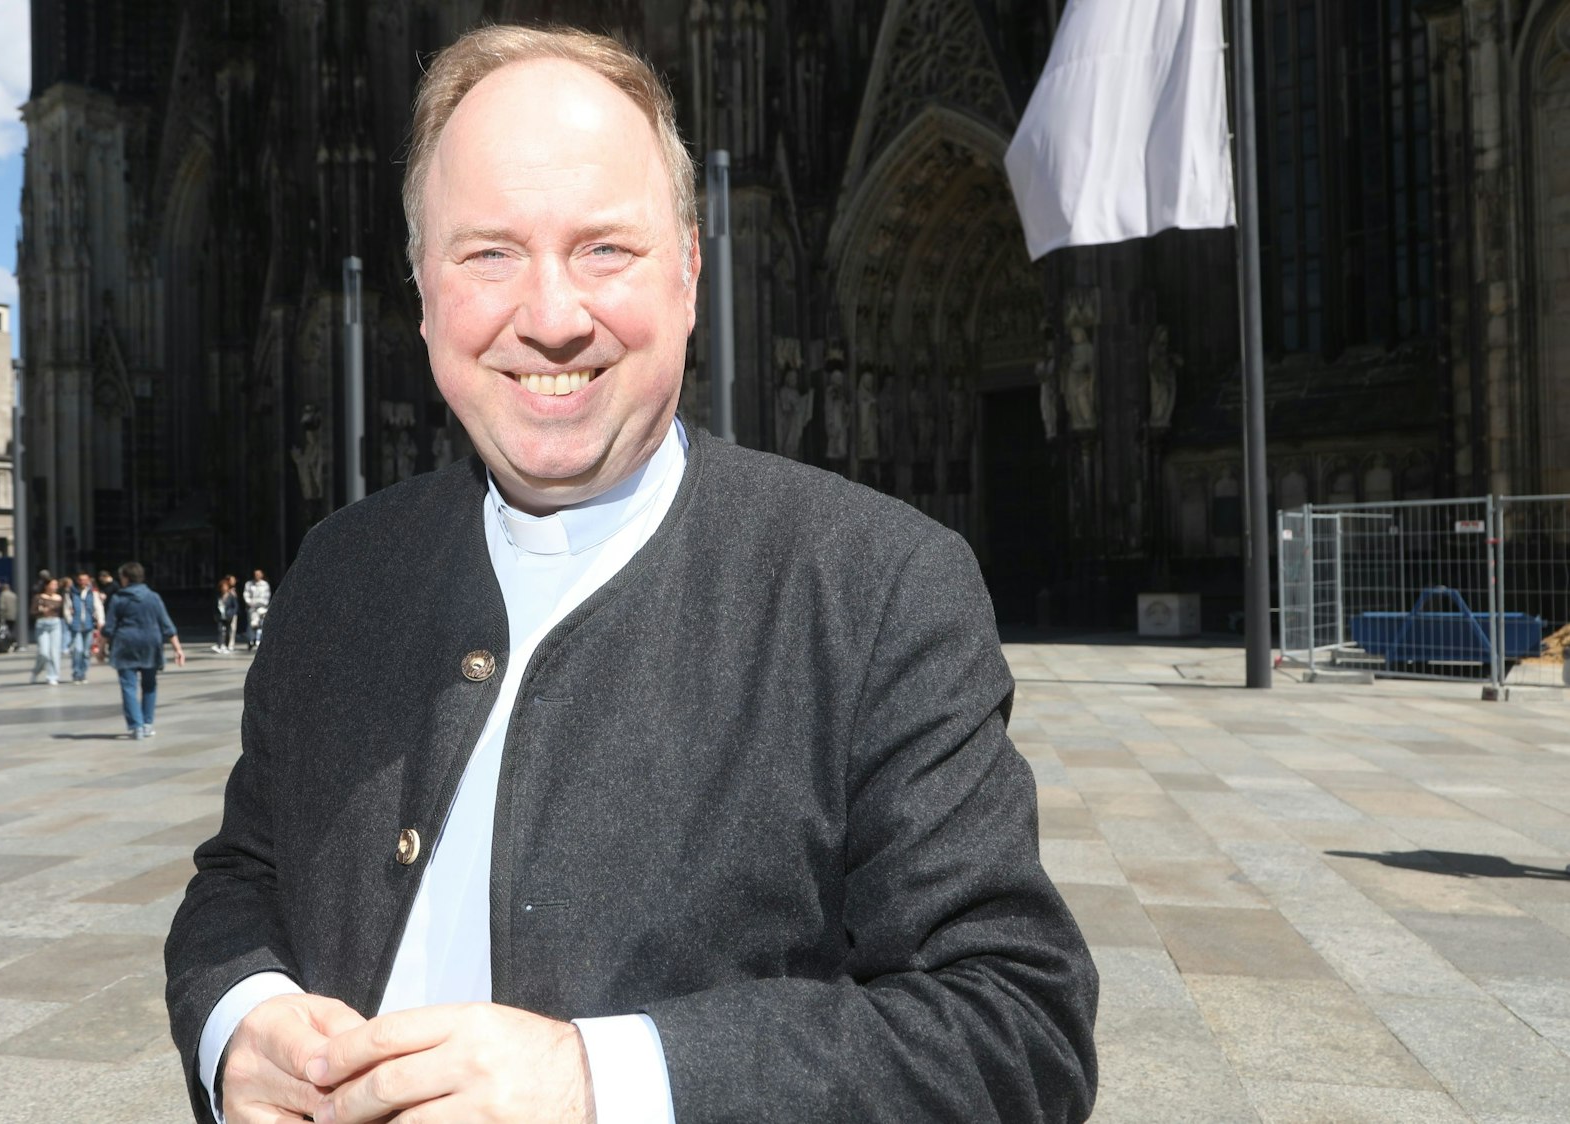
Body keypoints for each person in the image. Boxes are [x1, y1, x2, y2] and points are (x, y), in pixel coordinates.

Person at [164, 28, 1097, 1124]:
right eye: (488, 254)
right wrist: (242, 1020)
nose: (552, 318)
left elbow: (1014, 1031)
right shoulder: (339, 570)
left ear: (692, 275)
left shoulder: (875, 586)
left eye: (606, 249)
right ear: (420, 297)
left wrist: (600, 1083)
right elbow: (240, 877)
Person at [101, 561, 183, 739]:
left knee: (128, 686)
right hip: (150, 644)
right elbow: (166, 624)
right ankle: (147, 723)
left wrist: (100, 648)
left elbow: (109, 627)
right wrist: (177, 648)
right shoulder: (153, 597)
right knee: (149, 685)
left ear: (126, 578)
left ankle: (136, 726)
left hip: (125, 644)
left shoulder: (118, 598)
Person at [66, 572, 105, 684]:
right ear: (78, 581)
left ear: (88, 580)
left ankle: (83, 673)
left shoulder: (92, 593)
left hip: (88, 624)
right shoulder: (71, 592)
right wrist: (70, 620)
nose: (83, 582)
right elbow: (67, 607)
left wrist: (100, 621)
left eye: (85, 579)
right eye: (81, 579)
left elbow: (98, 607)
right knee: (77, 650)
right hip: (76, 625)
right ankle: (76, 673)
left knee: (86, 652)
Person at [30, 578, 67, 685]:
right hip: (42, 624)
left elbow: (63, 612)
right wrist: (41, 611)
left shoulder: (59, 598)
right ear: (46, 586)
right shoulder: (38, 597)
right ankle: (36, 671)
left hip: (55, 624)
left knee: (54, 652)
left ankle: (52, 676)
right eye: (53, 584)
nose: (55, 586)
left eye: (56, 584)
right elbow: (32, 612)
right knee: (43, 652)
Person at [241, 568, 271, 651]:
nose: (257, 576)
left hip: (261, 608)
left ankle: (258, 641)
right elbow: (246, 595)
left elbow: (266, 597)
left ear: (262, 575)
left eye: (258, 574)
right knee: (251, 625)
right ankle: (251, 640)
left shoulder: (265, 585)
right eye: (255, 574)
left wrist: (260, 604)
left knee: (261, 625)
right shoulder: (249, 584)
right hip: (251, 608)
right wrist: (250, 603)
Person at [212, 575, 235, 655]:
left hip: (228, 616)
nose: (224, 588)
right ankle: (220, 645)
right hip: (220, 616)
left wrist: (232, 613)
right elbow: (214, 606)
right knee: (220, 630)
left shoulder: (231, 596)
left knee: (228, 631)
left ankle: (226, 645)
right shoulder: (218, 596)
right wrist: (215, 615)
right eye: (222, 587)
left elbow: (235, 606)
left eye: (225, 586)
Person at [0, 580, 21, 652]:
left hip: (6, 616)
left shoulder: (3, 595)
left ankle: (11, 643)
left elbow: (2, 607)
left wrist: (1, 617)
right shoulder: (13, 595)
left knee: (6, 631)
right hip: (13, 615)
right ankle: (14, 643)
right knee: (11, 630)